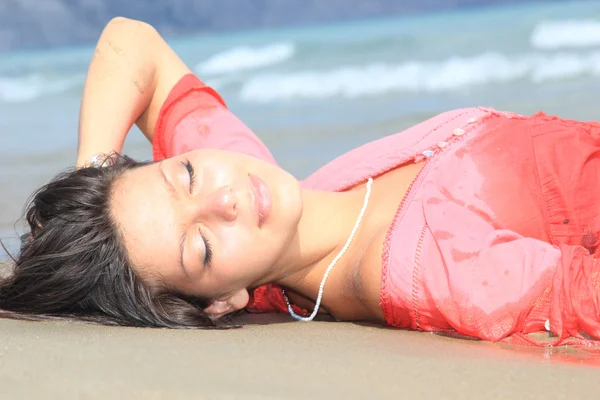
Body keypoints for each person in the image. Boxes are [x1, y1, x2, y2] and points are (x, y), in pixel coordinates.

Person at [2, 17, 599, 350]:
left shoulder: (283, 199)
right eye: (201, 246)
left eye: (183, 171)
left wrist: (95, 181)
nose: (221, 200)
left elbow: (132, 45)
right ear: (221, 302)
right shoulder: (439, 268)